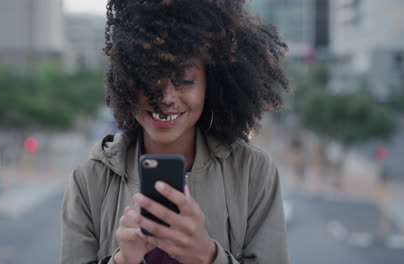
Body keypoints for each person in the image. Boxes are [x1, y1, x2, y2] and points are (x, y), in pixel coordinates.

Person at [61, 0, 291, 263]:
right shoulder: (88, 180)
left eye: (184, 79)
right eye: (148, 78)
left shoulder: (254, 172)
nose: (165, 97)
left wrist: (207, 255)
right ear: (126, 81)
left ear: (211, 85)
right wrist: (123, 260)